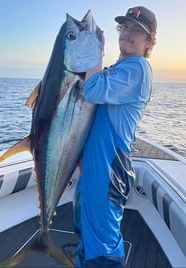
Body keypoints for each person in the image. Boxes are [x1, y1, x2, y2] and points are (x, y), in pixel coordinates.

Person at [74, 6, 157, 268]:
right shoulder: (119, 67)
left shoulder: (138, 68)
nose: (128, 34)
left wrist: (91, 51)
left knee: (103, 250)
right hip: (94, 168)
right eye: (125, 27)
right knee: (87, 236)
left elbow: (93, 91)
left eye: (137, 31)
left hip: (108, 170)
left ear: (149, 42)